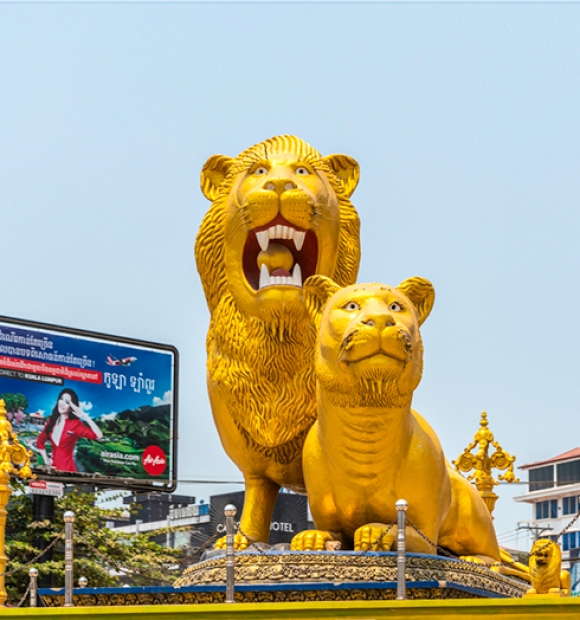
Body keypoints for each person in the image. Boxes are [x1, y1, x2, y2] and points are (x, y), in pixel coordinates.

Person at [36, 388, 103, 472]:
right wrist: (46, 460)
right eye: (61, 399)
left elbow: (99, 436)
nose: (62, 404)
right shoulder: (51, 421)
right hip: (53, 470)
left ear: (71, 407)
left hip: (68, 471)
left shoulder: (75, 424)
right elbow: (40, 442)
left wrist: (84, 416)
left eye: (67, 402)